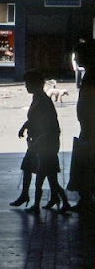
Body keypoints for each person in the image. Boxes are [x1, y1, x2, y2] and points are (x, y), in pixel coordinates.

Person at [11, 69, 70, 214]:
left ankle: (50, 200)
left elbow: (48, 124)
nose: (26, 86)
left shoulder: (43, 100)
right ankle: (33, 196)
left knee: (45, 173)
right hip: (37, 141)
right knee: (30, 167)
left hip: (44, 143)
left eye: (28, 84)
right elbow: (33, 118)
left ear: (36, 84)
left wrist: (40, 139)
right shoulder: (37, 98)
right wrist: (24, 126)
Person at [68, 40, 95, 212]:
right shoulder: (89, 74)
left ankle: (86, 199)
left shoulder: (92, 76)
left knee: (87, 163)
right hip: (87, 126)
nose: (76, 59)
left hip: (90, 128)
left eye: (78, 55)